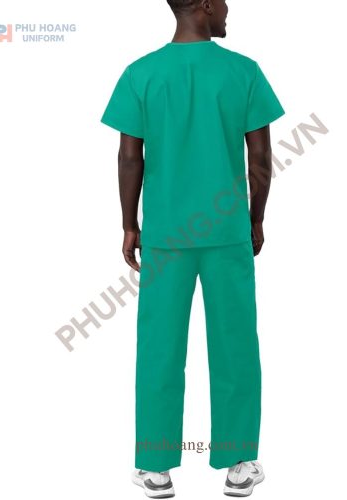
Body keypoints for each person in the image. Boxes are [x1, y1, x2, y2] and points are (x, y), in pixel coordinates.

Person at [100, 0, 285, 496]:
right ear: (204, 5)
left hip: (166, 237)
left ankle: (155, 466)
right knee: (236, 347)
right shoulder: (243, 72)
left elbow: (129, 157)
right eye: (222, 0)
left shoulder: (141, 73)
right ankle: (239, 463)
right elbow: (261, 157)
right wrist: (256, 217)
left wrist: (129, 224)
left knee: (159, 349)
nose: (228, 8)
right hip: (227, 234)